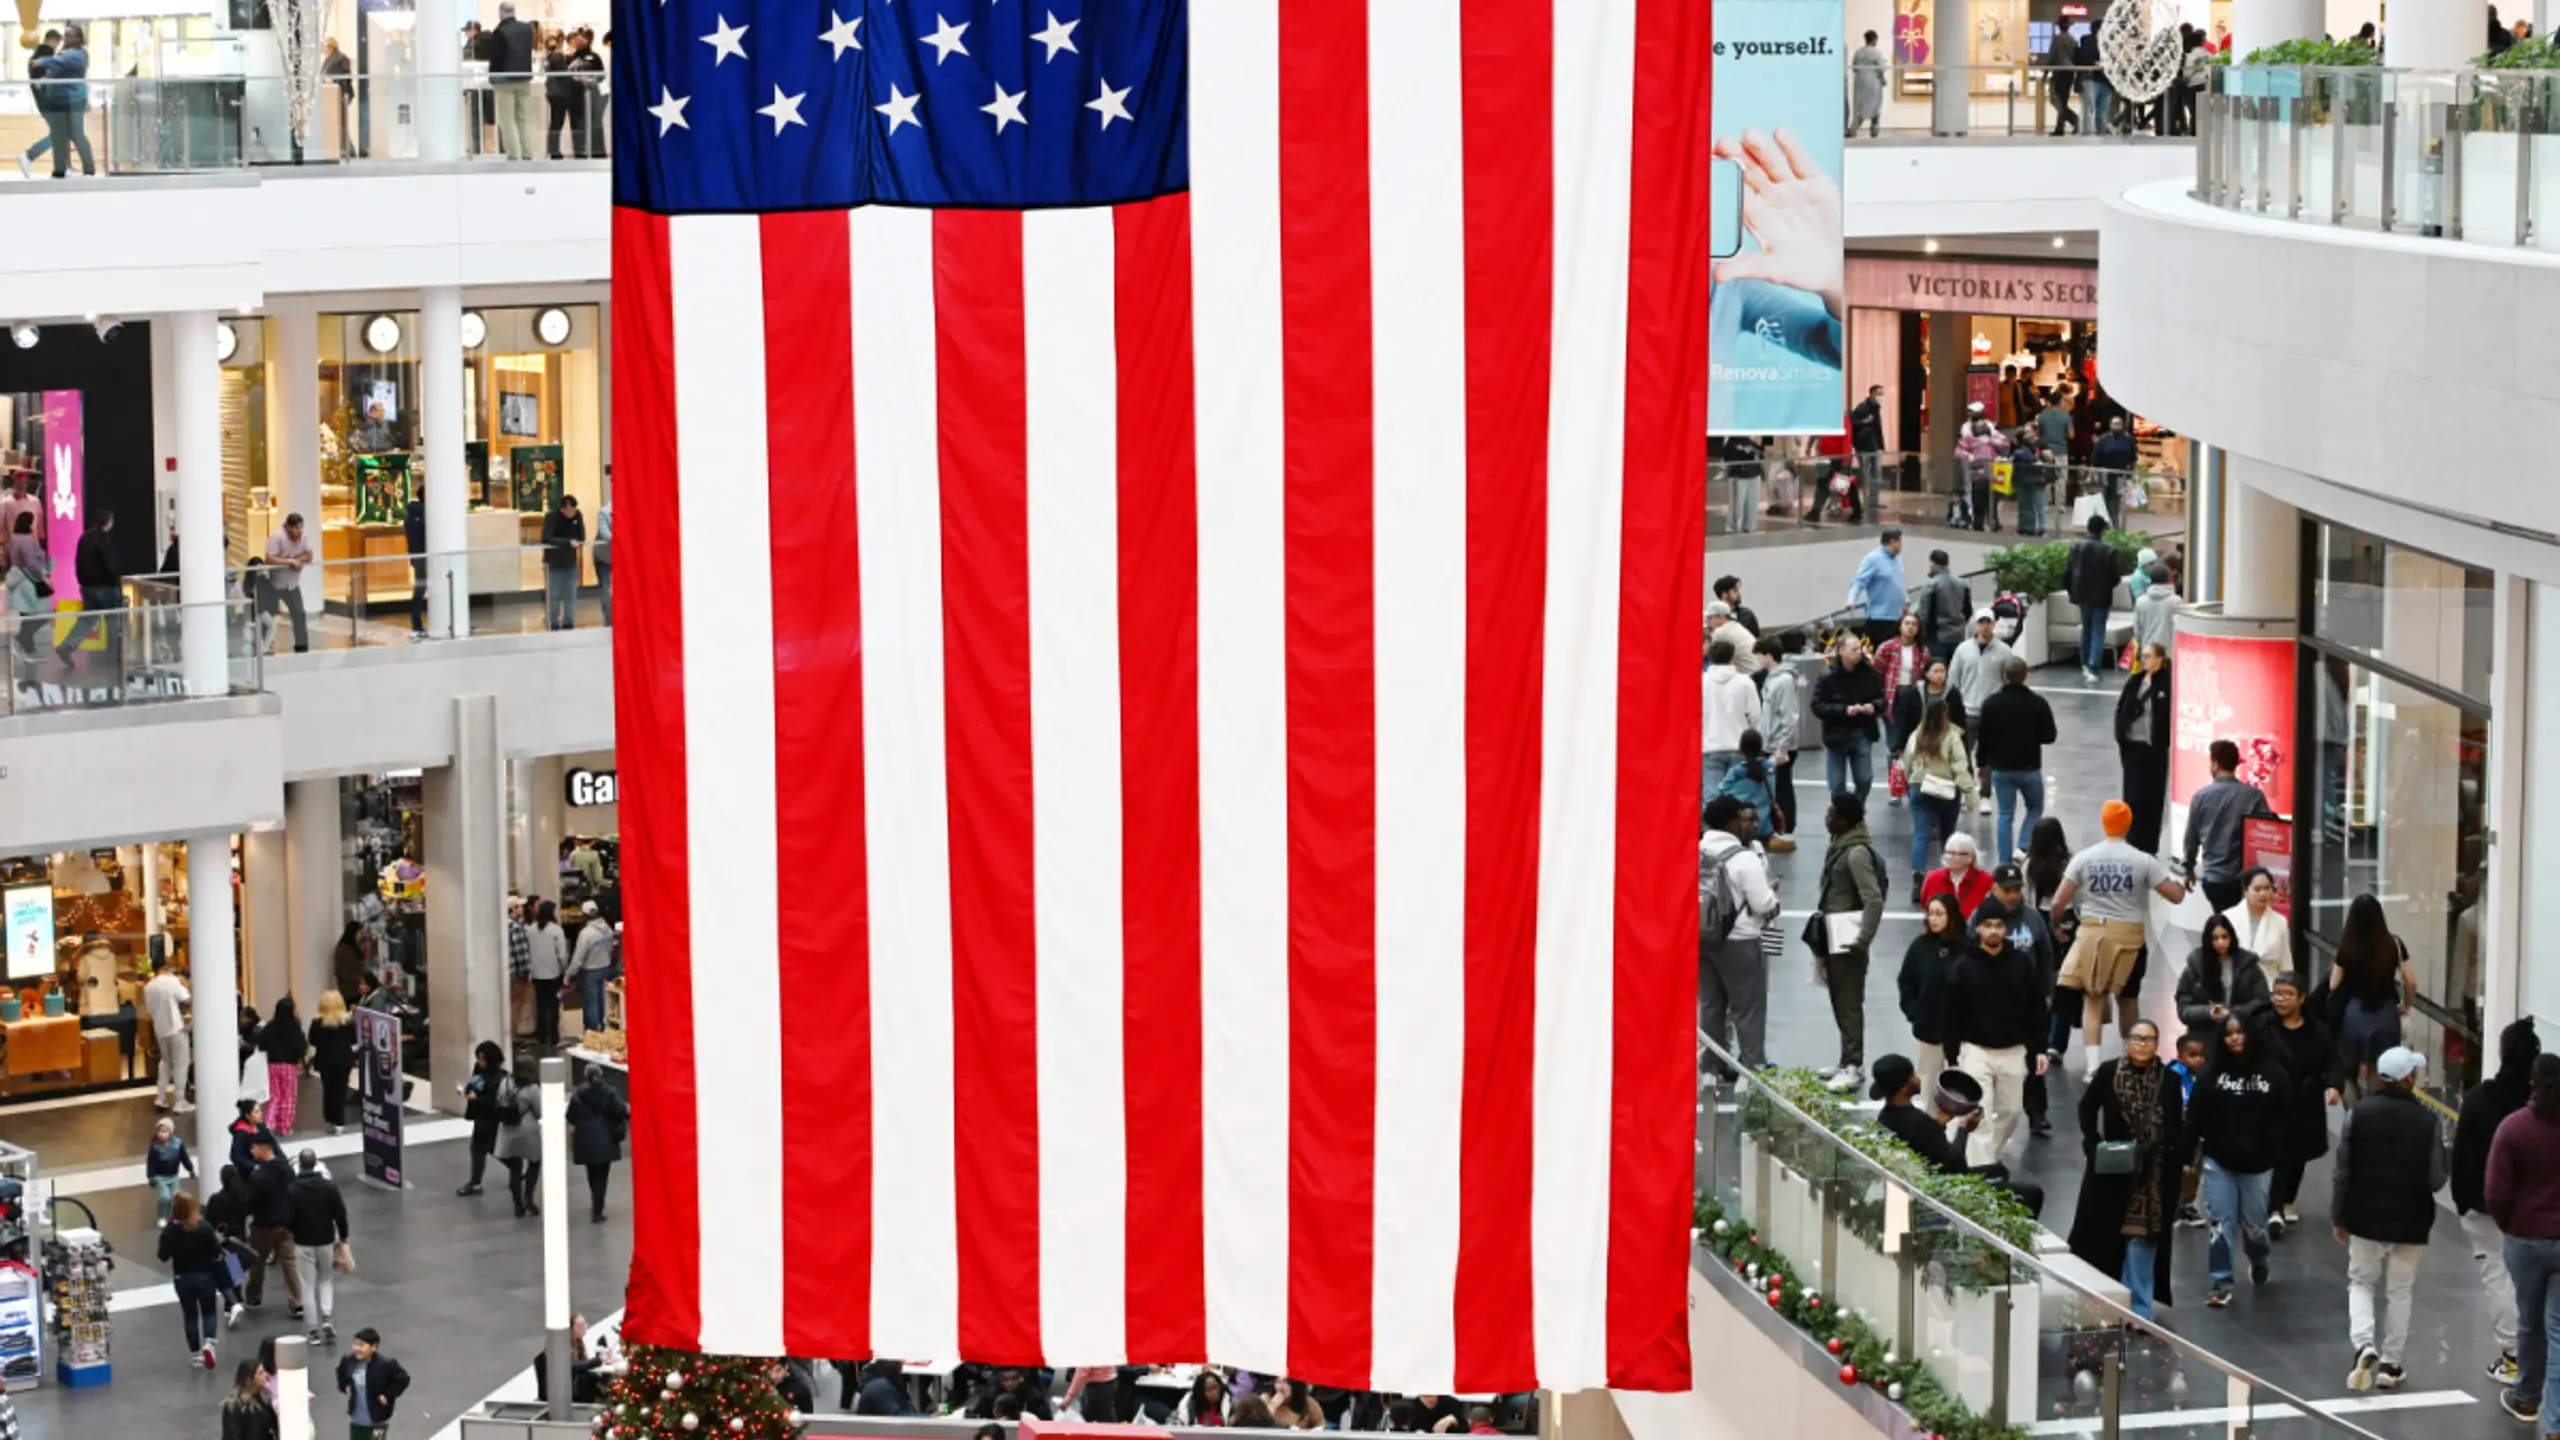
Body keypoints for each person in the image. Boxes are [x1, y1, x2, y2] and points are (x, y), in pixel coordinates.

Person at [2334, 1047, 2446, 1393]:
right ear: (2407, 1079)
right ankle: (2391, 1363)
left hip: (2365, 1214)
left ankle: (2364, 1345)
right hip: (2412, 1218)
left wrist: (2339, 1215)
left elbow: (2343, 1171)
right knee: (2400, 1290)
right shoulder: (2428, 1121)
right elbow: (2437, 1180)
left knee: (2361, 1282)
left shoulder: (2358, 1114)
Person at [2051, 800, 2188, 1074]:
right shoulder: (2142, 860)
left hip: (2092, 934)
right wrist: (2180, 879)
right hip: (2131, 939)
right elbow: (2175, 895)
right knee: (2128, 999)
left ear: (2104, 823)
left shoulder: (2084, 858)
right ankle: (2131, 1058)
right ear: (2128, 824)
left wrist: (2057, 925)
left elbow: (2058, 902)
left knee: (2093, 999)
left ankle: (2092, 1067)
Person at [2068, 1019, 2183, 1318]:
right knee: (2107, 1234)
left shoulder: (2168, 1079)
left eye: (2149, 1039)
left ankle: (2139, 1309)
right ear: (2127, 1041)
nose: (2143, 1045)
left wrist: (2176, 1162)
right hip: (2114, 1169)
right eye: (2137, 1038)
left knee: (2144, 1237)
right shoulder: (2108, 1072)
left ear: (2157, 1044)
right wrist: (2092, 1144)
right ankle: (2111, 1299)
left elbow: (2175, 1124)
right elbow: (2086, 1107)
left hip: (2153, 1177)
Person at [2454, 1021, 2538, 1397]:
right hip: (2535, 1211)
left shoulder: (2480, 1100)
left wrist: (2462, 1200)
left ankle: (2513, 1356)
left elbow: (2462, 1155)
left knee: (2497, 1276)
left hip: (2485, 1205)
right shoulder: (2541, 1106)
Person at [2186, 1012, 2287, 1307]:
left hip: (2258, 1163)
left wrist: (2274, 1150)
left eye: (2240, 1032)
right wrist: (2185, 1155)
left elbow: (2285, 1117)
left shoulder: (2273, 1073)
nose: (2235, 1038)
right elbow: (2195, 1118)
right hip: (2219, 1160)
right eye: (2229, 1033)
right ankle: (2221, 1281)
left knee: (2254, 1225)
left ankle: (2258, 1258)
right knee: (2220, 1222)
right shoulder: (2211, 1075)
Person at [1870, 1055, 2046, 1217]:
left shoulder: (1886, 1117)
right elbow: (1956, 1167)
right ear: (1904, 1087)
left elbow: (1922, 1141)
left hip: (1920, 1181)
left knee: (1998, 1170)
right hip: (1943, 1191)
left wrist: (1939, 1123)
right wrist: (1964, 1130)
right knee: (2032, 1193)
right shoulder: (1918, 1122)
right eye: (1913, 1075)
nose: (1918, 1078)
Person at [1943, 897, 2049, 1166]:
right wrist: (1952, 1056)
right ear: (1978, 928)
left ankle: (1987, 1157)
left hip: (2014, 1050)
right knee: (1979, 1111)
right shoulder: (1963, 966)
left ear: (2006, 929)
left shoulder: (2021, 964)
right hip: (1975, 1050)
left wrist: (2039, 1048)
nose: (1993, 931)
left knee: (2012, 1112)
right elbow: (1951, 1013)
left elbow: (2036, 1008)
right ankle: (1982, 1172)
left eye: (1999, 925)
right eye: (1987, 925)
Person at [2488, 1051, 2560, 1425]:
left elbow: (2496, 1192)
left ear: (2532, 1083)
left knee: (2529, 1322)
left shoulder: (2514, 1128)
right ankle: (2556, 1422)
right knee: (2559, 1328)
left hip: (2526, 1238)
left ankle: (2527, 1398)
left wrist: (2510, 1225)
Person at [1699, 795, 1781, 1079]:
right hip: (1741, 941)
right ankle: (1751, 1065)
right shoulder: (1744, 858)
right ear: (1731, 822)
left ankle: (1713, 1064)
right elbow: (1762, 904)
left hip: (1703, 940)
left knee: (1711, 1005)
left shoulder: (1695, 850)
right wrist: (1772, 895)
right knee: (1748, 1008)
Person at [1811, 793, 1887, 1090]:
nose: (1827, 818)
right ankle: (1846, 1059)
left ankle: (1854, 1064)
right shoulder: (1840, 846)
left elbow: (1873, 898)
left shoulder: (1855, 853)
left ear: (1845, 819)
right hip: (1834, 932)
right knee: (1839, 998)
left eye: (1832, 813)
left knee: (1849, 1001)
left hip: (1848, 935)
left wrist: (1862, 938)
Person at [2253, 972, 2338, 1237]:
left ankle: (2286, 1199)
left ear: (2302, 998)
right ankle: (2273, 1208)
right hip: (2269, 1101)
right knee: (2277, 1154)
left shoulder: (2319, 1031)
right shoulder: (2262, 1026)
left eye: (2287, 994)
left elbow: (2333, 1061)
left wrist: (2334, 1085)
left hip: (2305, 1100)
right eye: (2277, 993)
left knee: (2298, 1153)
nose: (2280, 999)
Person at [2328, 895, 2415, 1099]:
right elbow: (2411, 981)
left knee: (2348, 1070)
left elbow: (2333, 985)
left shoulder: (2348, 946)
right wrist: (2406, 1006)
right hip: (2385, 1014)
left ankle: (2354, 1114)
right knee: (2380, 1069)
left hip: (2353, 1014)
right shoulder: (2394, 944)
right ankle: (2373, 1112)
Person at [2182, 740, 2276, 913]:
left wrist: (2188, 869)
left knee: (2221, 916)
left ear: (2216, 764)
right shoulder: (2253, 796)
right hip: (2241, 879)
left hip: (2212, 878)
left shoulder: (2200, 797)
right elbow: (2268, 830)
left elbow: (2191, 838)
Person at [1975, 658, 2055, 861]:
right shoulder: (2037, 702)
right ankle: (2023, 845)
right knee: (2035, 807)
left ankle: (2004, 861)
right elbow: (2049, 736)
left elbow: (1982, 737)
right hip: (2029, 766)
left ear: (2004, 675)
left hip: (2001, 768)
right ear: (2025, 674)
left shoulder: (1991, 703)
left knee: (2005, 814)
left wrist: (1981, 763)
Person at [1898, 698, 1973, 896]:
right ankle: (1949, 878)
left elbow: (1906, 761)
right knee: (1947, 835)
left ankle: (1918, 877)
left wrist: (1909, 782)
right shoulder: (1951, 736)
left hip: (1919, 788)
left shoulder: (1917, 735)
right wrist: (1970, 794)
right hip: (1946, 791)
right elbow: (1960, 767)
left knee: (1921, 834)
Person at [1897, 893, 1967, 1100]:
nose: (1933, 919)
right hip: (1928, 1031)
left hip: (1963, 1033)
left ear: (1951, 916)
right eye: (1930, 914)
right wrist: (1914, 1014)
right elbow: (1906, 982)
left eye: (1939, 914)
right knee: (1929, 1091)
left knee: (1961, 1093)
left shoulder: (1968, 947)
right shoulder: (1920, 946)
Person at [1946, 609, 2013, 811]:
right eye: (1981, 622)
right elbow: (1953, 680)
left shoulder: (2004, 651)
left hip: (1992, 713)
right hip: (1966, 711)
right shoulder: (1963, 649)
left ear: (1993, 625)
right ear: (1976, 624)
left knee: (1988, 757)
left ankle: (1985, 794)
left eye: (1988, 623)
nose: (1984, 626)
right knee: (1962, 755)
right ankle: (1965, 793)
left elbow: (2008, 681)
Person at [1810, 632, 1887, 801]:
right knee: (1836, 784)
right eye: (1854, 649)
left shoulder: (1870, 673)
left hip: (1862, 730)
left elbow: (1882, 699)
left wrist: (1873, 706)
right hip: (1837, 733)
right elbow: (1817, 706)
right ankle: (1841, 817)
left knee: (1865, 779)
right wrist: (1844, 710)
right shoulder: (1828, 676)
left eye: (1860, 648)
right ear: (1842, 651)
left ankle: (1857, 810)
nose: (1859, 652)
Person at [2175, 912, 2271, 1043]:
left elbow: (2263, 1001)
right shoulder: (2195, 967)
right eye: (2215, 938)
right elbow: (2184, 1010)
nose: (2221, 943)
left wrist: (2233, 1012)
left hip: (2240, 1037)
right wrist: (2209, 1012)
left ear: (2232, 936)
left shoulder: (2248, 965)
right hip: (2205, 1038)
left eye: (2225, 937)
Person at [2115, 644, 2173, 853]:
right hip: (2132, 745)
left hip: (2154, 747)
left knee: (2153, 794)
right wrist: (2120, 733)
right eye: (2143, 656)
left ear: (2160, 658)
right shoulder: (2135, 680)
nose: (2144, 659)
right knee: (2132, 793)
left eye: (2148, 656)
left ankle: (2149, 843)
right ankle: (2131, 838)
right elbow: (2122, 707)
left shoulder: (2168, 683)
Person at [287, 1151, 348, 1345]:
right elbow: (340, 1213)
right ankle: (327, 1318)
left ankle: (312, 1330)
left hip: (303, 1241)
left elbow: (287, 1216)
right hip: (325, 1240)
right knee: (325, 1279)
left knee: (307, 1284)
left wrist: (294, 1230)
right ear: (315, 1164)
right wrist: (343, 1235)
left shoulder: (292, 1188)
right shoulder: (328, 1187)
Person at [161, 1189, 227, 1368]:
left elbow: (162, 1256)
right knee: (209, 1312)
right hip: (205, 1275)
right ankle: (209, 1342)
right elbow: (216, 1251)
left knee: (190, 1316)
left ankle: (195, 1354)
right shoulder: (204, 1227)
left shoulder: (169, 1231)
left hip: (182, 1278)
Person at [244, 1137, 305, 1316]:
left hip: (263, 1227)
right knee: (289, 1263)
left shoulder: (258, 1175)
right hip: (286, 1225)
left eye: (254, 1147)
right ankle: (297, 1301)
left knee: (257, 1262)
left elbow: (253, 1204)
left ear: (264, 1148)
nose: (252, 1151)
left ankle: (254, 1297)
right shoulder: (287, 1169)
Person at [54, 507, 122, 667]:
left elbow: (78, 561)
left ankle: (67, 645)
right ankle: (114, 656)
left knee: (87, 619)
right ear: (108, 522)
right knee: (113, 620)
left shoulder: (84, 538)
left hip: (87, 587)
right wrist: (117, 581)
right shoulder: (104, 540)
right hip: (104, 587)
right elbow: (109, 565)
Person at [1755, 635, 1802, 851]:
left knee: (1783, 788)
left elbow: (1789, 717)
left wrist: (1782, 748)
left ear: (1767, 655)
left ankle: (1786, 830)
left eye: (1758, 655)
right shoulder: (1772, 678)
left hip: (1780, 747)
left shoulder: (1783, 681)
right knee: (1775, 789)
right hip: (1771, 743)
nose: (1756, 660)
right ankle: (1779, 828)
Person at [1701, 639, 1762, 804]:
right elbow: (1756, 715)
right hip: (1738, 745)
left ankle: (1714, 829)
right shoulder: (1745, 682)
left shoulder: (1701, 682)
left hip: (1710, 746)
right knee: (1739, 796)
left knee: (1712, 797)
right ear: (1732, 656)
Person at [2064, 515, 2124, 681]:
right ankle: (2094, 667)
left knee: (2087, 629)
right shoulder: (2110, 549)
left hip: (2082, 594)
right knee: (2098, 630)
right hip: (2102, 594)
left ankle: (2085, 664)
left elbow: (2068, 571)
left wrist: (2071, 590)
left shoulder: (2076, 547)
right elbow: (2115, 576)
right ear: (2103, 530)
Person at [566, 1064, 628, 1222]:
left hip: (584, 1138)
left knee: (592, 1172)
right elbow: (623, 1110)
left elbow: (570, 1116)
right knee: (602, 1174)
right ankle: (597, 1210)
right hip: (605, 1137)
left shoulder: (577, 1094)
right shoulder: (610, 1092)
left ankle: (596, 1201)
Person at [30, 26, 94, 178]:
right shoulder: (62, 52)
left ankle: (89, 169)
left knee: (77, 134)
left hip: (74, 100)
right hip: (57, 100)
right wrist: (44, 81)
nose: (67, 39)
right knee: (59, 135)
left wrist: (41, 62)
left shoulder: (79, 55)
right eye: (66, 35)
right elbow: (56, 71)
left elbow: (60, 63)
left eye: (71, 36)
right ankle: (59, 170)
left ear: (79, 38)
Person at [337, 1328, 412, 1440]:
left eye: (362, 1345)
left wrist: (388, 1394)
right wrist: (345, 1386)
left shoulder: (386, 1364)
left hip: (378, 1421)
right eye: (356, 1344)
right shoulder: (349, 1360)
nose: (357, 1348)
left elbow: (403, 1379)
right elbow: (341, 1373)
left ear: (374, 1347)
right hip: (357, 1420)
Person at [457, 1040, 509, 1197]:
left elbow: (493, 1102)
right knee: (489, 1149)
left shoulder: (499, 1078)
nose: (479, 1062)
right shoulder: (479, 1071)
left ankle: (475, 1182)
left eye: (482, 1059)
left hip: (490, 1119)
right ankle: (515, 1168)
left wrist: (475, 1099)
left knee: (484, 1149)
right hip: (481, 1117)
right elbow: (474, 1086)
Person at [2224, 867, 2292, 986]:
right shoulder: (2228, 918)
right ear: (2246, 891)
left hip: (2269, 987)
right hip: (2235, 986)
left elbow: (2285, 962)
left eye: (2267, 888)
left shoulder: (2280, 922)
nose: (2263, 894)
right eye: (2257, 889)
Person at [496, 1058, 545, 1218]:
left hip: (508, 1131)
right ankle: (528, 1198)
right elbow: (539, 1111)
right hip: (527, 1130)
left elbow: (498, 1101)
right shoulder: (532, 1088)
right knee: (534, 1162)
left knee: (515, 1169)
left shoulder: (505, 1083)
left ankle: (517, 1205)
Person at [490, 1, 538, 159]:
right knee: (523, 118)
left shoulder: (500, 31)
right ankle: (527, 153)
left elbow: (496, 59)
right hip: (524, 79)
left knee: (508, 120)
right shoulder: (527, 29)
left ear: (501, 14)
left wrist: (492, 77)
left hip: (505, 81)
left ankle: (513, 155)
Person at [1846, 529, 1909, 648]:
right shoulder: (1873, 559)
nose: (1902, 545)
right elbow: (1859, 581)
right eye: (1900, 542)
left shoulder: (1897, 559)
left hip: (1897, 617)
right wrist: (1851, 600)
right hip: (1879, 618)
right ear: (1892, 542)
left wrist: (1906, 600)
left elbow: (1899, 582)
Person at [307, 991, 358, 1136]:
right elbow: (353, 1040)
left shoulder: (317, 1022)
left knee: (328, 1089)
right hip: (343, 1060)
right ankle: (340, 1121)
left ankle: (329, 1118)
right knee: (340, 1090)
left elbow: (312, 1040)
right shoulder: (347, 1021)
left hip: (325, 1060)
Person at [263, 513, 314, 653]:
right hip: (274, 583)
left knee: (299, 613)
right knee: (268, 616)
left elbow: (309, 555)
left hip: (292, 584)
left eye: (301, 528)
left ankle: (301, 646)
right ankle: (264, 646)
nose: (299, 531)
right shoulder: (277, 537)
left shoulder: (304, 536)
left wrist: (297, 561)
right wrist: (289, 562)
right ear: (288, 527)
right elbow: (269, 559)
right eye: (296, 528)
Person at [146, 960, 192, 1111]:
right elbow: (186, 999)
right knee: (180, 1064)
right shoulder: (172, 981)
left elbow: (149, 1009)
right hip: (175, 1027)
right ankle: (180, 1100)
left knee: (165, 1063)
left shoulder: (149, 986)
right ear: (165, 967)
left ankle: (161, 1097)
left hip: (159, 1029)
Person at [259, 997, 308, 1138]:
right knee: (288, 1097)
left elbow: (262, 1045)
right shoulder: (294, 1028)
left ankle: (269, 1124)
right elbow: (302, 1048)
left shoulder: (270, 1026)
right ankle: (285, 1128)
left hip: (272, 1065)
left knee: (274, 1096)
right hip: (289, 1066)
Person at [1956, 411, 2011, 532]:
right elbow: (1959, 451)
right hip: (1978, 474)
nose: (1982, 423)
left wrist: (1991, 441)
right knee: (1979, 501)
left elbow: (2005, 444)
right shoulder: (1968, 438)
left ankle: (1993, 522)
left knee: (1993, 501)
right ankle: (1978, 523)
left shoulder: (1994, 435)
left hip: (1994, 474)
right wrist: (1970, 457)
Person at [566, 902, 616, 1034]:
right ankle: (604, 1030)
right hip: (606, 969)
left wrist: (569, 975)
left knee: (591, 1004)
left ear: (584, 915)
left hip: (591, 972)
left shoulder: (586, 934)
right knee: (604, 1003)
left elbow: (578, 959)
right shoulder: (607, 929)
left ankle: (593, 1034)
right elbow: (612, 948)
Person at [1912, 550, 1971, 658]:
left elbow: (1924, 614)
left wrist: (1922, 636)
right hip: (1958, 637)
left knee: (1937, 671)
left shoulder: (1931, 585)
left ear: (1933, 564)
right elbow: (1968, 611)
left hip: (1937, 638)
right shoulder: (1963, 585)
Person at [1919, 832, 1992, 918]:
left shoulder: (1986, 880)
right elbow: (1925, 907)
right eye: (1948, 853)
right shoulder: (1932, 878)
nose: (1950, 857)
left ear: (1970, 858)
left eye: (1955, 853)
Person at [527, 900, 569, 1045]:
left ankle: (541, 1035)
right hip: (553, 974)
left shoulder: (530, 930)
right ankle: (554, 1035)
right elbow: (562, 954)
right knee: (553, 1005)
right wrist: (565, 970)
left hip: (537, 975)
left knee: (541, 1005)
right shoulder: (556, 930)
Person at [541, 494, 585, 629]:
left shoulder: (577, 516)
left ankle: (568, 622)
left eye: (574, 510)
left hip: (570, 562)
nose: (572, 513)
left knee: (570, 594)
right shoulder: (551, 518)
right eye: (569, 510)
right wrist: (567, 542)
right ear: (563, 508)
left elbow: (581, 536)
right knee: (553, 595)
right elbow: (547, 538)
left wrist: (576, 541)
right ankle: (553, 622)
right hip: (554, 563)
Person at [1713, 728, 1776, 819]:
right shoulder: (1770, 767)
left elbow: (1722, 790)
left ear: (1741, 747)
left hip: (1741, 827)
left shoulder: (1736, 771)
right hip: (1766, 825)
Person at [2091, 417, 2137, 526]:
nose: (2117, 426)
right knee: (2106, 498)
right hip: (2105, 473)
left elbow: (2133, 457)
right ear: (2110, 425)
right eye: (2114, 424)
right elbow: (2095, 458)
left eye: (2119, 424)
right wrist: (2094, 472)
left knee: (2117, 498)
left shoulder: (2128, 439)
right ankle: (2108, 522)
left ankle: (2114, 521)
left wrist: (2132, 472)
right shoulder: (2103, 440)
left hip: (2121, 473)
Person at [146, 1116, 195, 1221]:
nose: (161, 1134)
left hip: (173, 1176)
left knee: (175, 1198)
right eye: (159, 1131)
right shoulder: (155, 1146)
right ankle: (162, 1216)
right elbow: (151, 1162)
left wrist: (190, 1169)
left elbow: (184, 1157)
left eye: (164, 1131)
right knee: (164, 1197)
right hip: (160, 1177)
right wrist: (150, 1176)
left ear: (171, 1132)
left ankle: (172, 1217)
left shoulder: (178, 1144)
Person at [1849, 383, 1888, 511]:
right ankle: (1866, 499)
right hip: (1864, 446)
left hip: (1873, 446)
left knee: (1877, 474)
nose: (1880, 397)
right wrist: (1863, 422)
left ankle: (1873, 500)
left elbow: (1878, 428)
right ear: (1871, 394)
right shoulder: (1863, 407)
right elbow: (1851, 420)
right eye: (1878, 394)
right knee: (1866, 473)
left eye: (1882, 394)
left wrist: (1881, 445)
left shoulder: (1876, 408)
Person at [223, 1356, 281, 1439]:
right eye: (261, 1373)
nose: (266, 1375)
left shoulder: (264, 1399)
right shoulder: (234, 1408)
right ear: (250, 1379)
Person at [2132, 563, 2180, 658]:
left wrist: (2140, 647)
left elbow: (2137, 630)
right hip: (2168, 654)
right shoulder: (2176, 602)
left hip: (2147, 654)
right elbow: (2179, 628)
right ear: (2168, 579)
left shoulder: (2141, 601)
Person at [1847, 31, 1886, 137]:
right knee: (1875, 107)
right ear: (1874, 40)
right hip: (1874, 83)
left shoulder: (1859, 52)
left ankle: (1853, 130)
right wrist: (1883, 79)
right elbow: (1882, 68)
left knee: (1861, 108)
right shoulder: (1876, 52)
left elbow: (1854, 68)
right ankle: (1874, 129)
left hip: (1861, 83)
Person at [2045, 24, 2081, 135]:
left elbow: (2052, 57)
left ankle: (2075, 120)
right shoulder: (2073, 40)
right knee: (2063, 100)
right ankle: (2060, 127)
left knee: (2055, 99)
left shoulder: (2057, 39)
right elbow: (2076, 57)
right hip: (2070, 72)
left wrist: (2045, 74)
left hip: (2060, 71)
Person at [1705, 601, 1757, 672]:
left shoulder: (1720, 633)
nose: (1708, 622)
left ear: (1721, 617)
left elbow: (1707, 654)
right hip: (1757, 672)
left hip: (1747, 675)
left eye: (1710, 618)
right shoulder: (1736, 626)